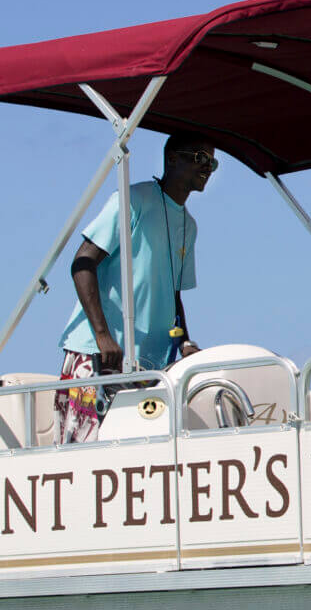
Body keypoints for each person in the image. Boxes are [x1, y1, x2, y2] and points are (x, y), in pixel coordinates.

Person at [54, 134, 217, 444]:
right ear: (172, 159)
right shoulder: (133, 200)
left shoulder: (190, 225)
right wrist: (103, 337)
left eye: (213, 162)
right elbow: (81, 264)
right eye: (200, 158)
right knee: (82, 459)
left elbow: (174, 295)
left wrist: (184, 344)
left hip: (150, 365)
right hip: (99, 355)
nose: (208, 167)